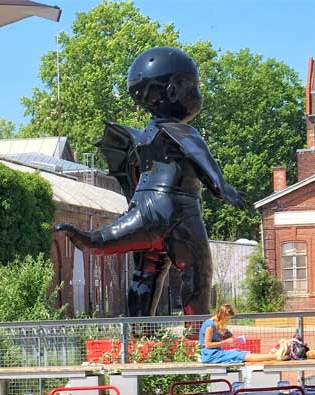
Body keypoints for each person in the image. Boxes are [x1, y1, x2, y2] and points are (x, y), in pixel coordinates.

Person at [56, 46, 248, 317]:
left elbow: (133, 175)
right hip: (179, 212)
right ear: (172, 91)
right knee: (198, 271)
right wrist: (222, 188)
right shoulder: (183, 131)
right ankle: (197, 337)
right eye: (193, 88)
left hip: (145, 208)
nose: (198, 95)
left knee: (145, 274)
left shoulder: (140, 137)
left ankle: (137, 337)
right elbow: (200, 159)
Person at [200, 304, 277, 363]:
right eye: (227, 319)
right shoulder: (209, 325)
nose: (227, 321)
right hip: (210, 355)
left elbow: (219, 339)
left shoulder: (217, 324)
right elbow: (208, 345)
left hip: (216, 352)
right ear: (223, 316)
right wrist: (226, 342)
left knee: (238, 352)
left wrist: (232, 340)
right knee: (239, 355)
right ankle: (275, 356)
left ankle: (272, 356)